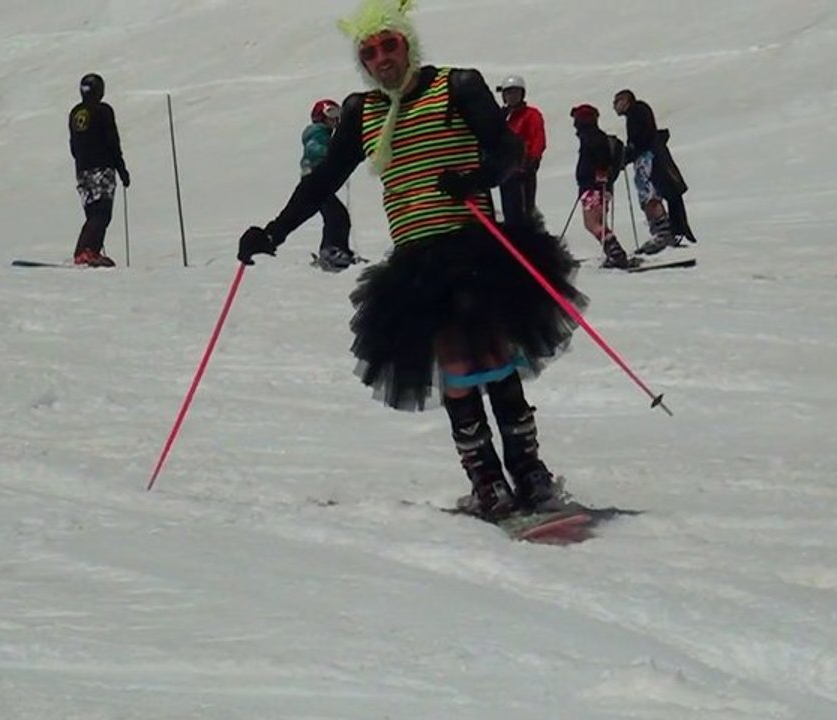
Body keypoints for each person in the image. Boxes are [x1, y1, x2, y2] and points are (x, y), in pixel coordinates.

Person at [236, 0, 587, 520]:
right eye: (370, 52)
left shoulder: (457, 85)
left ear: (408, 45)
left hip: (475, 247)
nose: (382, 59)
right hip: (417, 262)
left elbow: (508, 152)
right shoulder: (362, 112)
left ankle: (530, 474)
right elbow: (324, 180)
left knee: (495, 360)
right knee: (457, 369)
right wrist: (274, 231)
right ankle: (487, 480)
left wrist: (474, 180)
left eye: (389, 45)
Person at [613, 88, 695, 255]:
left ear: (626, 100)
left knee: (649, 195)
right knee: (654, 194)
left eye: (617, 102)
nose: (614, 106)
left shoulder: (636, 112)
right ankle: (669, 230)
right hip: (651, 156)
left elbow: (640, 140)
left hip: (648, 159)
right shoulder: (639, 112)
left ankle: (663, 233)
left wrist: (628, 153)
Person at [68, 72, 129, 267]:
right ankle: (87, 251)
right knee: (102, 213)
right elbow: (112, 141)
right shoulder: (103, 111)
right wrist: (122, 169)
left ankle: (85, 250)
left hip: (82, 171)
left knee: (93, 212)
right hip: (101, 168)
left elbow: (73, 146)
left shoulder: (75, 113)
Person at [571, 103, 635, 269]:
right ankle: (613, 251)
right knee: (598, 222)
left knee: (591, 223)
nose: (574, 124)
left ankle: (615, 252)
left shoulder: (591, 138)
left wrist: (598, 178)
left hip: (593, 187)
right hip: (599, 186)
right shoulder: (595, 136)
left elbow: (600, 160)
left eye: (577, 120)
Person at [302, 98, 357, 271]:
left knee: (338, 215)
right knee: (336, 216)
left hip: (318, 182)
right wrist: (334, 153)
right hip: (314, 183)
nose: (335, 119)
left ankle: (340, 250)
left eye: (337, 115)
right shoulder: (316, 132)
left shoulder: (326, 134)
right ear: (320, 117)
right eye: (330, 114)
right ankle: (330, 251)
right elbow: (313, 149)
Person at [495, 75, 546, 227]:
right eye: (509, 93)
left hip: (523, 170)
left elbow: (538, 138)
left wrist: (532, 159)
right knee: (509, 210)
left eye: (515, 93)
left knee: (524, 210)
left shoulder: (531, 115)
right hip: (505, 171)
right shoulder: (501, 117)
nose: (512, 97)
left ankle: (528, 238)